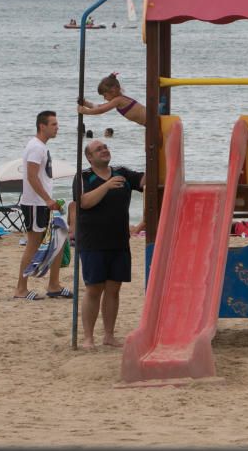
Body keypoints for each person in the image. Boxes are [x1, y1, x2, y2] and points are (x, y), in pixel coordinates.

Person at [74, 140, 144, 349]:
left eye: (105, 147)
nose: (104, 150)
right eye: (98, 149)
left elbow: (145, 181)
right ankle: (88, 337)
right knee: (94, 288)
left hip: (119, 240)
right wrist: (106, 185)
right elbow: (84, 202)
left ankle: (109, 335)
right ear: (89, 157)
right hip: (93, 241)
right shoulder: (84, 176)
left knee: (114, 288)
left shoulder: (122, 173)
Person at [15, 110, 70, 300]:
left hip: (42, 203)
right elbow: (31, 176)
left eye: (57, 123)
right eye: (53, 124)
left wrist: (49, 201)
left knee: (60, 237)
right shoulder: (36, 147)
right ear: (42, 126)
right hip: (35, 204)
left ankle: (54, 285)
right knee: (33, 244)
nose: (57, 127)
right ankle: (21, 289)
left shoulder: (41, 147)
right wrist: (47, 199)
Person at [78, 73, 146, 126]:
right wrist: (86, 103)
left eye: (105, 95)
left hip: (151, 120)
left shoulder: (119, 100)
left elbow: (101, 110)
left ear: (113, 91)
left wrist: (86, 111)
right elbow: (100, 106)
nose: (104, 98)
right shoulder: (120, 99)